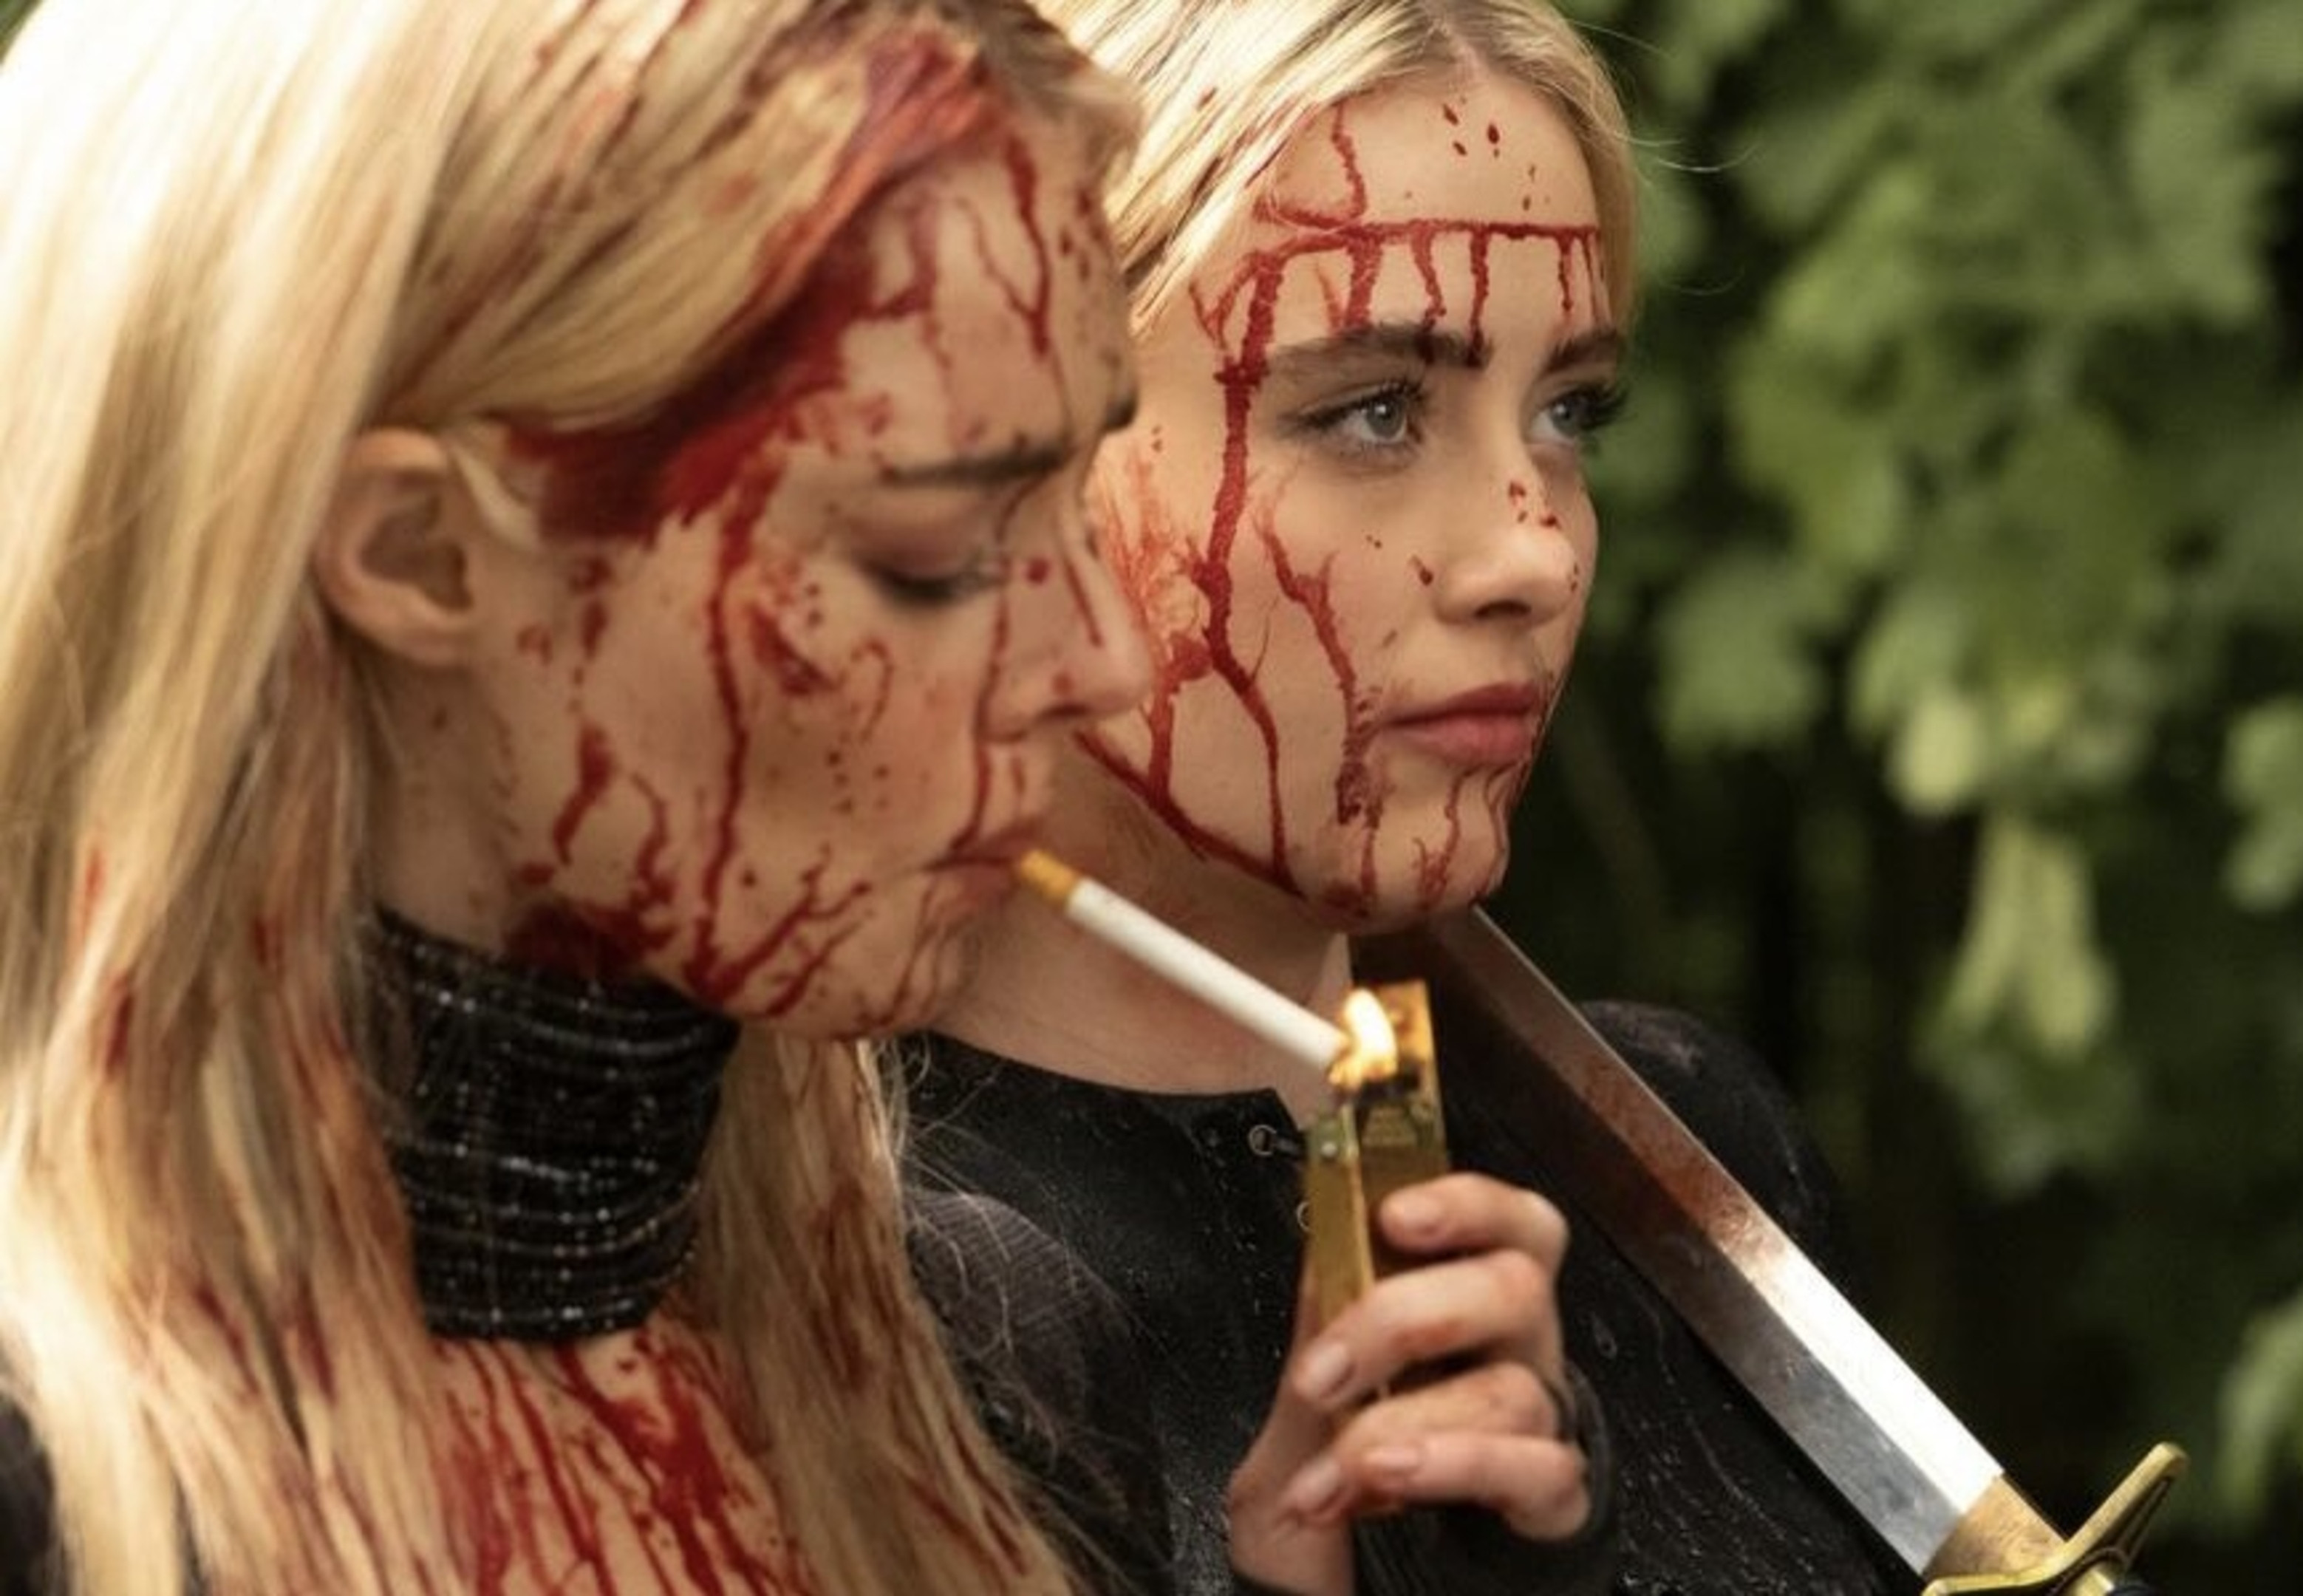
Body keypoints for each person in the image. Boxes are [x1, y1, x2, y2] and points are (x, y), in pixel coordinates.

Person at [0, 1, 1385, 1591]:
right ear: (420, 556)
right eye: (937, 550)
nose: (1099, 662)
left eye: (1074, 497)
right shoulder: (57, 1489)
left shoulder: (979, 1376)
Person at [907, 1, 1907, 1591]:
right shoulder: (813, 1292)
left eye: (1570, 412)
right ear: (998, 455)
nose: (1536, 551)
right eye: (1373, 410)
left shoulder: (1673, 1164)